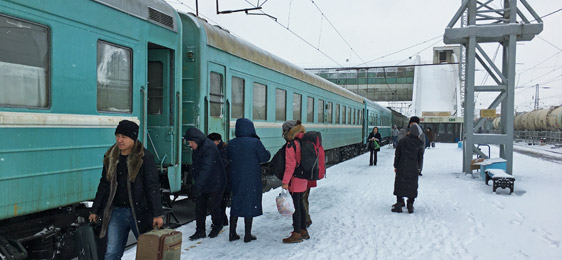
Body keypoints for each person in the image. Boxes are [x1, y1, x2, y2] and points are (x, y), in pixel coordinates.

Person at [89, 120, 163, 260]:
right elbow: (104, 184)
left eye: (124, 137)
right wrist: (95, 209)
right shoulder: (111, 157)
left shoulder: (144, 158)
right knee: (112, 252)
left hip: (139, 212)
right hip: (117, 212)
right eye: (117, 136)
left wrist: (157, 214)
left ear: (133, 138)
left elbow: (152, 187)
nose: (119, 140)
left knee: (148, 252)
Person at [227, 118, 271, 242]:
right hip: (251, 178)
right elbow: (265, 157)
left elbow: (228, 157)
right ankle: (247, 234)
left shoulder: (231, 143)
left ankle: (232, 233)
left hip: (236, 177)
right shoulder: (255, 142)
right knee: (249, 203)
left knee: (236, 202)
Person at [184, 128, 227, 240]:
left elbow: (206, 168)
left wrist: (197, 185)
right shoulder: (198, 147)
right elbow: (196, 166)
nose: (190, 145)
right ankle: (200, 231)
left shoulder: (208, 148)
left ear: (196, 140)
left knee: (213, 206)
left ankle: (218, 225)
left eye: (190, 142)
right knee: (199, 207)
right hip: (204, 182)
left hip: (216, 182)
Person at [280, 120, 309, 244]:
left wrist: (285, 182)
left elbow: (290, 165)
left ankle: (296, 233)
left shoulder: (292, 144)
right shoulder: (303, 140)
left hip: (295, 179)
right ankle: (303, 230)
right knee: (300, 205)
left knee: (295, 207)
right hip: (303, 178)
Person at [392, 123, 424, 214]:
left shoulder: (402, 141)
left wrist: (395, 166)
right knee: (412, 185)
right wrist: (419, 168)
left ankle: (399, 204)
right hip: (413, 167)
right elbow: (420, 158)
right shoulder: (419, 143)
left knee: (400, 184)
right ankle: (410, 205)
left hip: (402, 166)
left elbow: (397, 154)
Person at [207, 132, 231, 227]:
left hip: (224, 180)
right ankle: (223, 220)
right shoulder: (221, 149)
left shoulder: (223, 150)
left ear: (217, 141)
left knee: (219, 202)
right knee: (220, 202)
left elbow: (223, 164)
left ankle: (220, 222)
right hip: (223, 180)